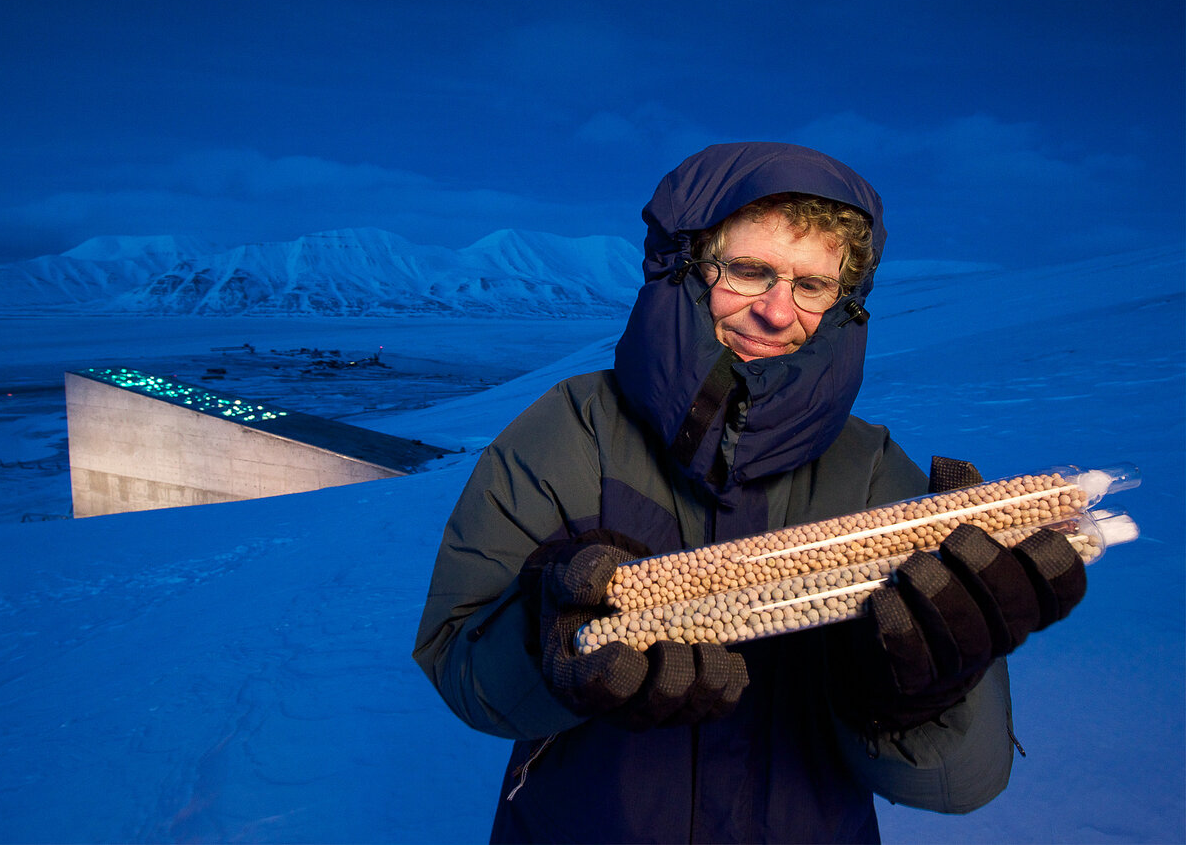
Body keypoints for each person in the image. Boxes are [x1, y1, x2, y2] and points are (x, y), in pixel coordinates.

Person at [413, 142, 1086, 843]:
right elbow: (460, 665)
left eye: (813, 286)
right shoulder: (573, 430)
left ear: (845, 301)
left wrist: (924, 690)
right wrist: (548, 642)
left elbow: (960, 787)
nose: (776, 311)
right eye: (749, 271)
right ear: (686, 267)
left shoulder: (873, 471)